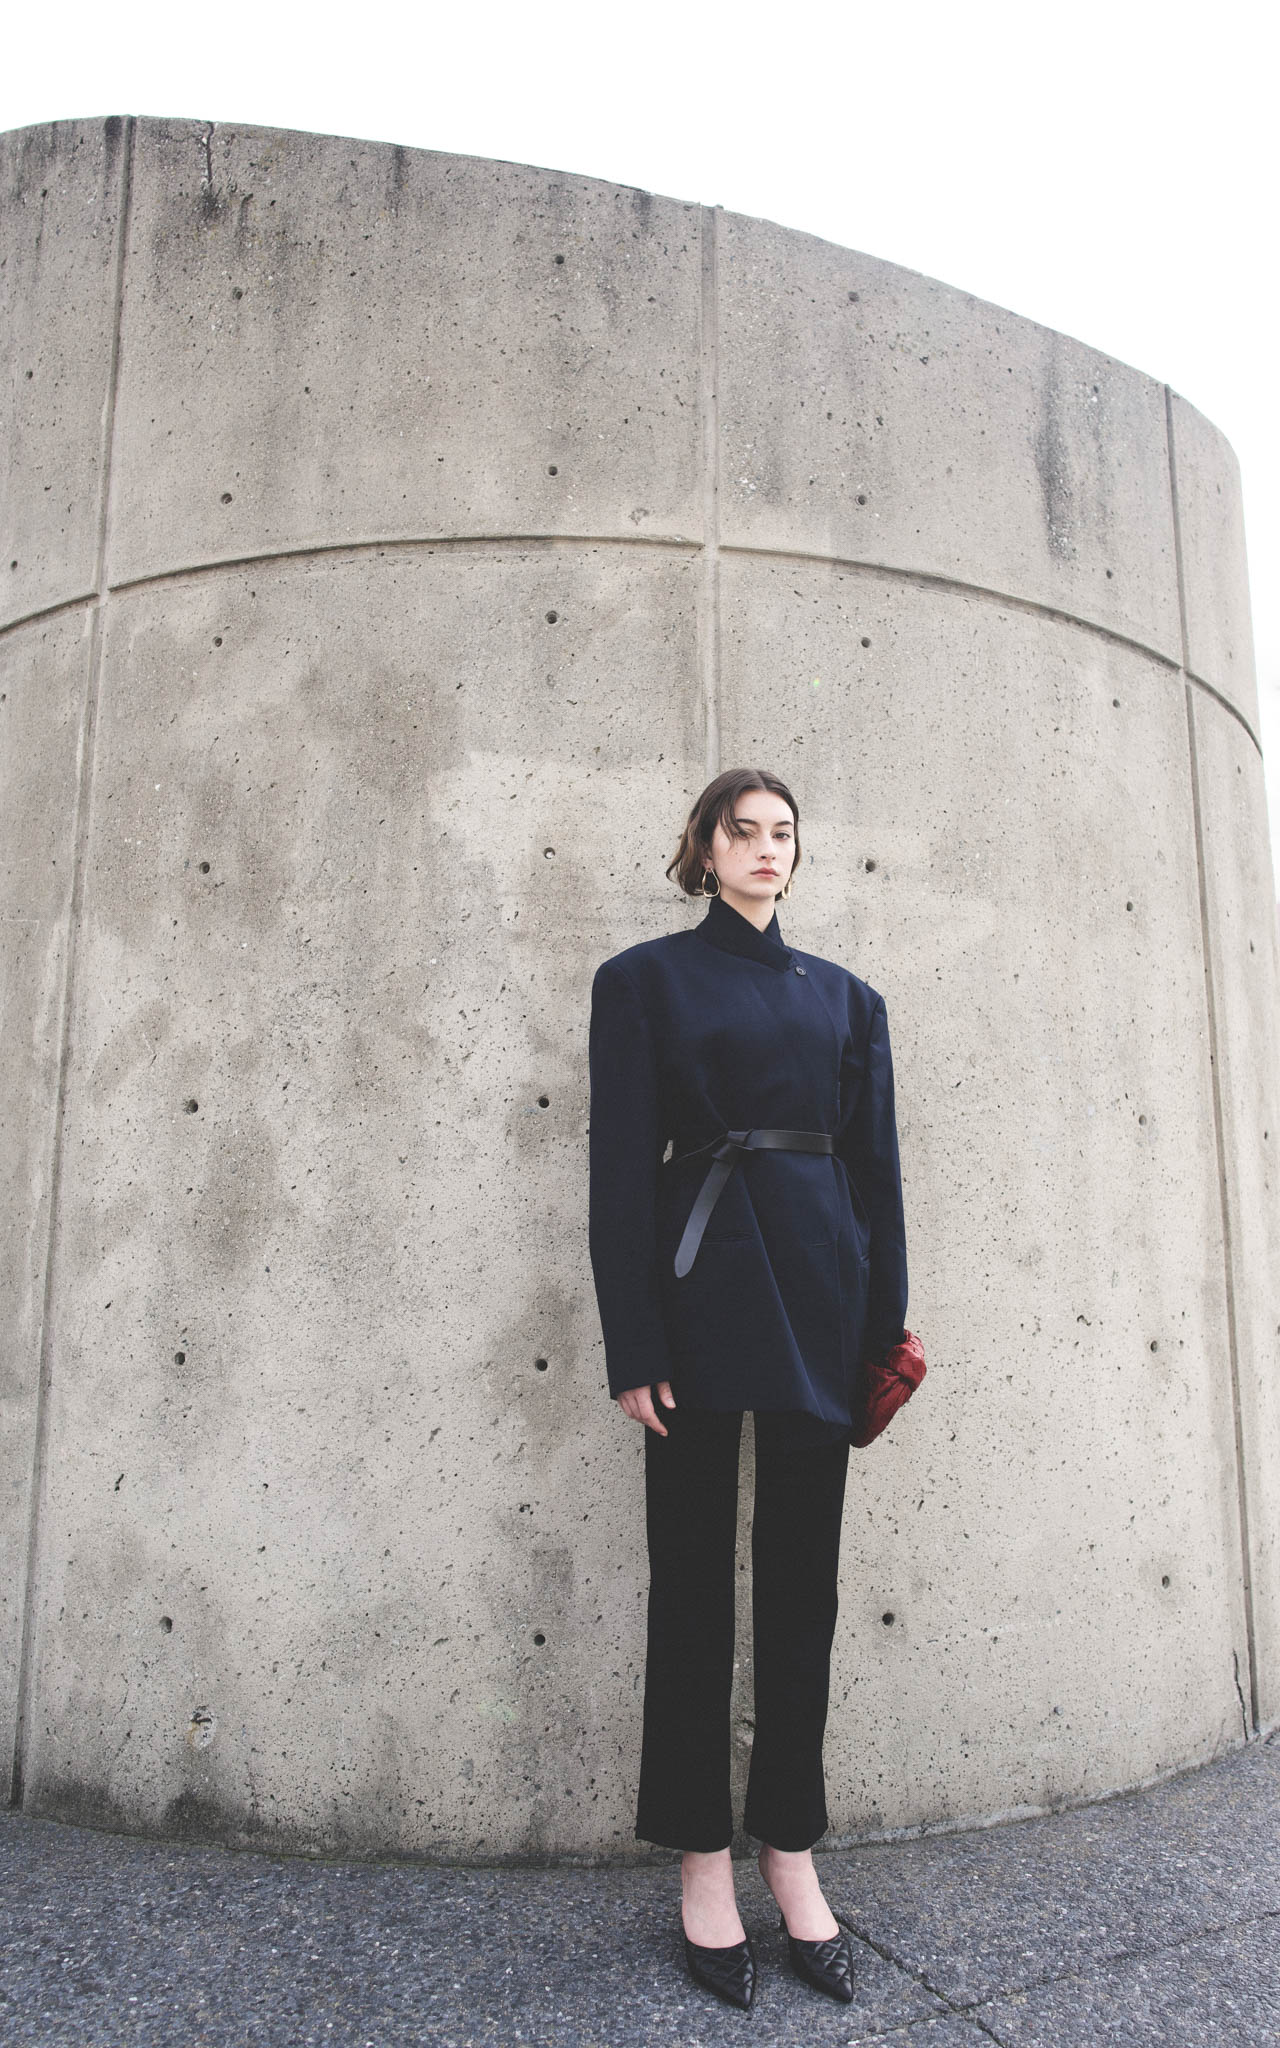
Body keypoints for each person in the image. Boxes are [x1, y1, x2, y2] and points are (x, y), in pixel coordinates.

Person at [587, 766, 909, 2012]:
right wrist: (632, 1342)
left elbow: (875, 1175)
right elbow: (622, 1170)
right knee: (690, 1589)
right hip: (700, 1294)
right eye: (744, 830)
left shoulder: (847, 997)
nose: (766, 848)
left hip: (822, 1300)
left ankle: (790, 1848)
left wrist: (880, 1328)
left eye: (782, 832)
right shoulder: (642, 980)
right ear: (704, 847)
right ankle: (699, 1860)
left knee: (800, 1591)